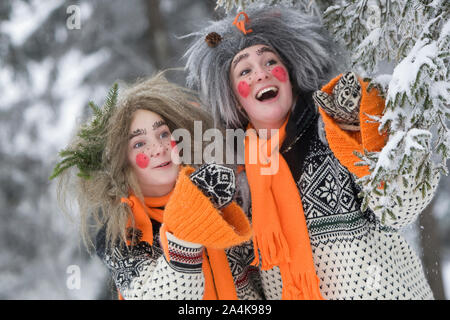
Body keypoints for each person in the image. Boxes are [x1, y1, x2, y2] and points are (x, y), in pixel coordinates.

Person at [184, 5, 440, 299]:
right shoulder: (237, 180)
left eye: (270, 61)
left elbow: (402, 206)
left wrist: (372, 134)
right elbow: (245, 283)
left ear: (290, 78)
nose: (261, 74)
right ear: (235, 100)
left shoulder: (337, 129)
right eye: (245, 70)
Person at [52, 73, 263, 300]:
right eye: (140, 143)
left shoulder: (221, 195)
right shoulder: (119, 236)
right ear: (123, 162)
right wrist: (189, 218)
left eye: (163, 134)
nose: (159, 148)